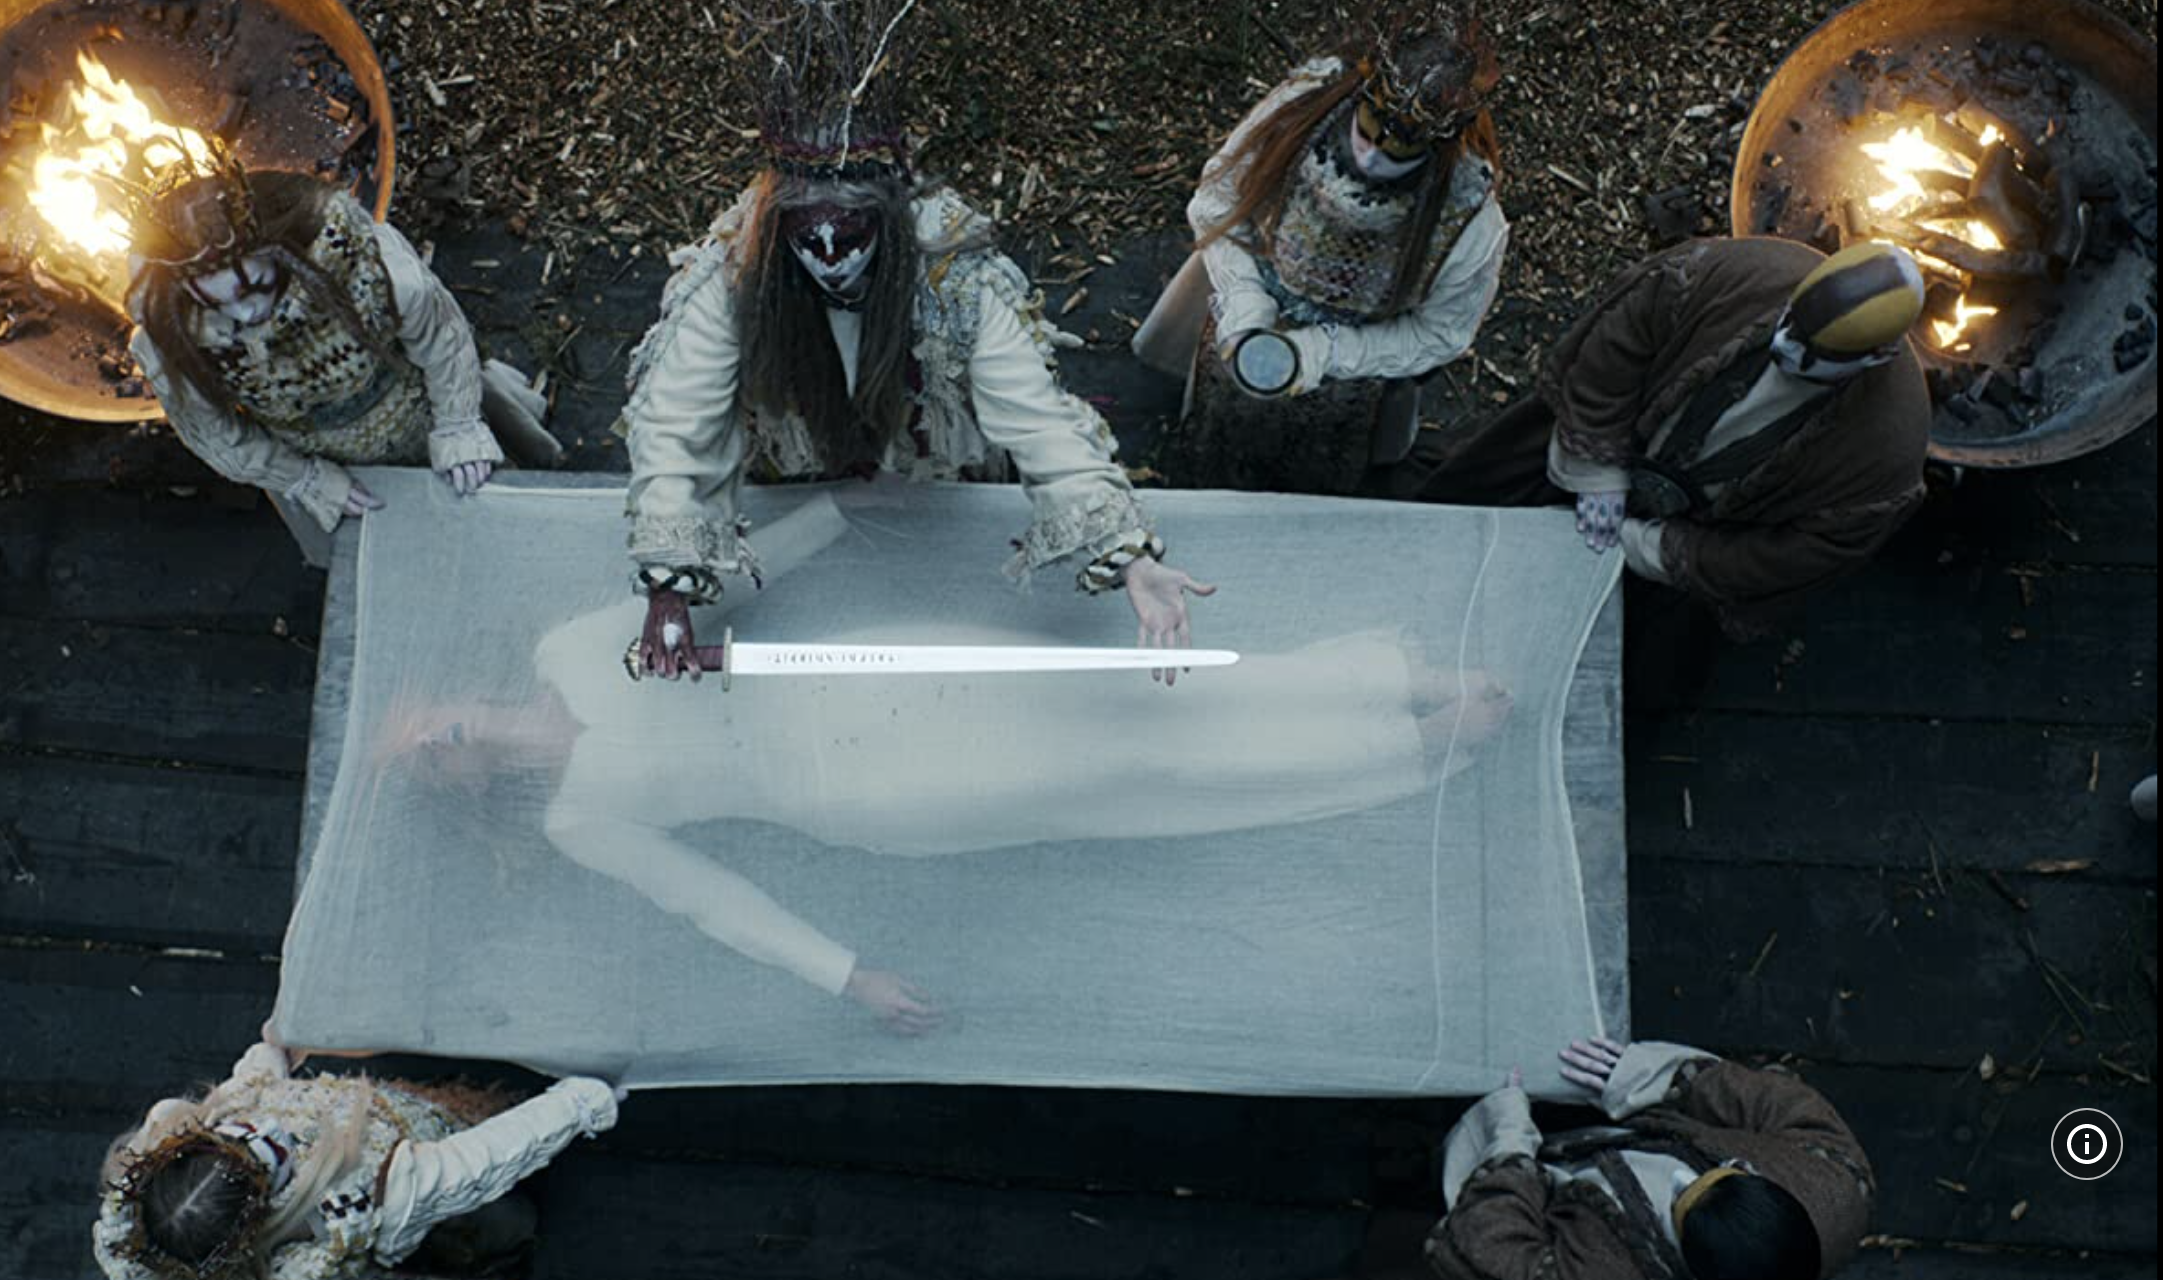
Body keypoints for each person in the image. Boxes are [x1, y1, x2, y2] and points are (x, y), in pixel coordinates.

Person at [375, 499, 1512, 1035]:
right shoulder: (578, 820)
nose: (438, 740)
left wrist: (832, 512)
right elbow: (710, 901)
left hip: (872, 675)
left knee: (1133, 689)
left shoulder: (569, 649)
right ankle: (1399, 745)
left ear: (453, 690)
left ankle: (1392, 681)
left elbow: (713, 586)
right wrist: (847, 975)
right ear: (464, 790)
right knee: (1126, 776)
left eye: (426, 722)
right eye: (427, 762)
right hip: (869, 792)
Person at [617, 0, 1209, 683]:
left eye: (851, 236)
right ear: (781, 227)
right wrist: (669, 586)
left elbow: (1038, 418)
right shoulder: (733, 272)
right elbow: (676, 423)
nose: (829, 258)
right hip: (795, 474)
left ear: (888, 221)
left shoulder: (957, 278)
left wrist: (1129, 557)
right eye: (807, 238)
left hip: (935, 480)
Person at [1420, 238, 1931, 639]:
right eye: (1790, 324)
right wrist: (1596, 471)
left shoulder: (1885, 451)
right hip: (1602, 451)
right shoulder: (1735, 274)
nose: (1785, 348)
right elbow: (1618, 344)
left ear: (1877, 358)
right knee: (1458, 516)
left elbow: (1795, 553)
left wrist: (1652, 548)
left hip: (1692, 544)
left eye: (1815, 354)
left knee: (1616, 644)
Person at [1132, 10, 1507, 486]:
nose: (1373, 152)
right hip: (1245, 324)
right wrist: (1245, 299)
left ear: (1439, 143)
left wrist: (1326, 352)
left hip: (1351, 381)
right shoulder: (1302, 109)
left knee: (1313, 470)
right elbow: (1218, 199)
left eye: (1401, 145)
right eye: (1369, 127)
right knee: (1216, 441)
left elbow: (1441, 333)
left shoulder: (1467, 219)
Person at [125, 153, 560, 561]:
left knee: (497, 518)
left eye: (256, 286)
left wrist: (457, 424)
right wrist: (304, 478)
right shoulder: (175, 338)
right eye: (219, 303)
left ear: (285, 250)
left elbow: (442, 339)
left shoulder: (370, 270)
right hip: (322, 460)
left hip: (417, 414)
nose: (245, 313)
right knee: (395, 553)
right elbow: (215, 433)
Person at [92, 1038, 622, 1279]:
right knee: (506, 1221)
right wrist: (577, 1103)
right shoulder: (366, 1194)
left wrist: (278, 1043)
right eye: (273, 1155)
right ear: (266, 1213)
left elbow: (250, 1083)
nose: (267, 1127)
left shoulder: (202, 1144)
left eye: (237, 1132)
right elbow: (478, 1161)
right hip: (427, 1188)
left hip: (382, 1118)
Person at [1427, 1037, 1874, 1280]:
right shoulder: (1836, 1190)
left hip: (1556, 1185)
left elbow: (1492, 1249)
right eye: (1733, 1171)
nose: (1680, 1176)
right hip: (1634, 1131)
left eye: (1679, 1201)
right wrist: (1649, 1079)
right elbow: (1789, 1108)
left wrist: (1508, 1139)